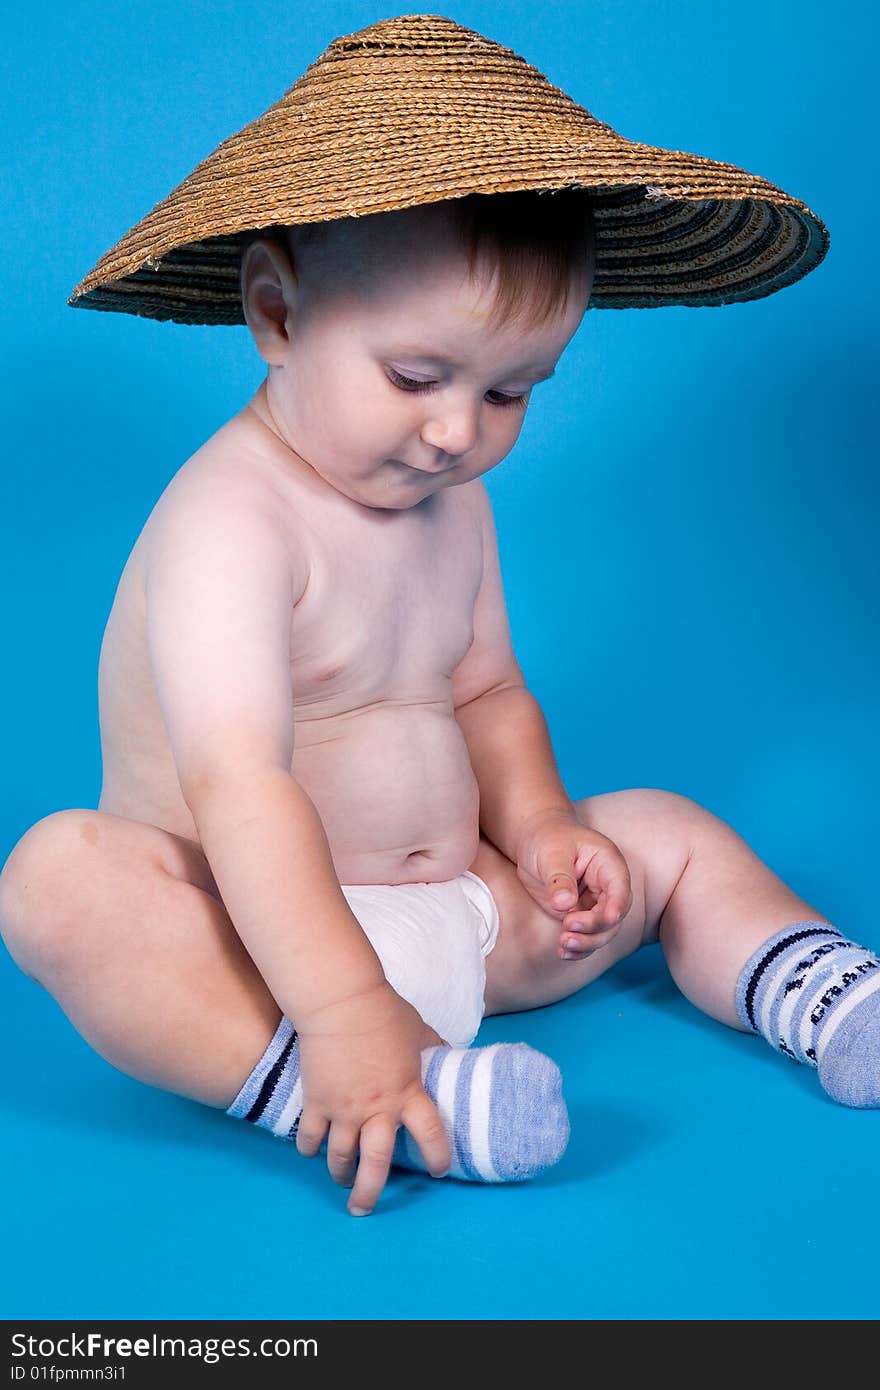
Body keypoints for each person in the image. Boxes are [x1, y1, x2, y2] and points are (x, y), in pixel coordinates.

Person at [2, 15, 873, 1222]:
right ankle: (355, 1088)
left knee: (664, 830)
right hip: (264, 957)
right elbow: (238, 782)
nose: (461, 431)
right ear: (277, 315)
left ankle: (825, 993)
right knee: (56, 884)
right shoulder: (230, 523)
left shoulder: (448, 496)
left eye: (511, 390)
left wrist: (547, 828)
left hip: (466, 918)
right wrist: (348, 1006)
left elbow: (485, 693)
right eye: (417, 378)